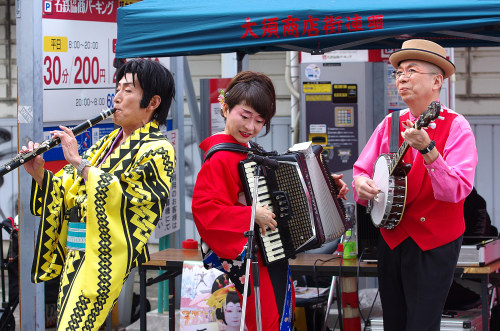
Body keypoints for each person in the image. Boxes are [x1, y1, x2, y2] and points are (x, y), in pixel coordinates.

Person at [21, 58, 176, 330]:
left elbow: (125, 199)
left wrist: (79, 163)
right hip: (77, 250)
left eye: (128, 90)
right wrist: (40, 174)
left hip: (104, 257)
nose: (117, 97)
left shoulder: (159, 149)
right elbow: (68, 191)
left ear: (152, 103)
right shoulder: (107, 142)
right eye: (118, 89)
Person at [192, 71, 348, 330]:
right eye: (245, 116)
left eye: (259, 121)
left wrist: (326, 186)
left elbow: (280, 189)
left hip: (269, 253)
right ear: (225, 107)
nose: (251, 127)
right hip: (252, 259)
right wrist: (250, 215)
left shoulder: (248, 150)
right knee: (265, 320)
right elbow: (206, 210)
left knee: (276, 315)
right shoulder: (220, 156)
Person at [352, 39, 477, 331]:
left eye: (411, 70)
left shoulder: (457, 126)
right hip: (393, 236)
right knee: (394, 322)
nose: (402, 77)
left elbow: (457, 190)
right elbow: (361, 170)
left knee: (422, 324)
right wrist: (361, 183)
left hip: (434, 239)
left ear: (437, 81)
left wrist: (429, 151)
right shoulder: (389, 124)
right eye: (398, 72)